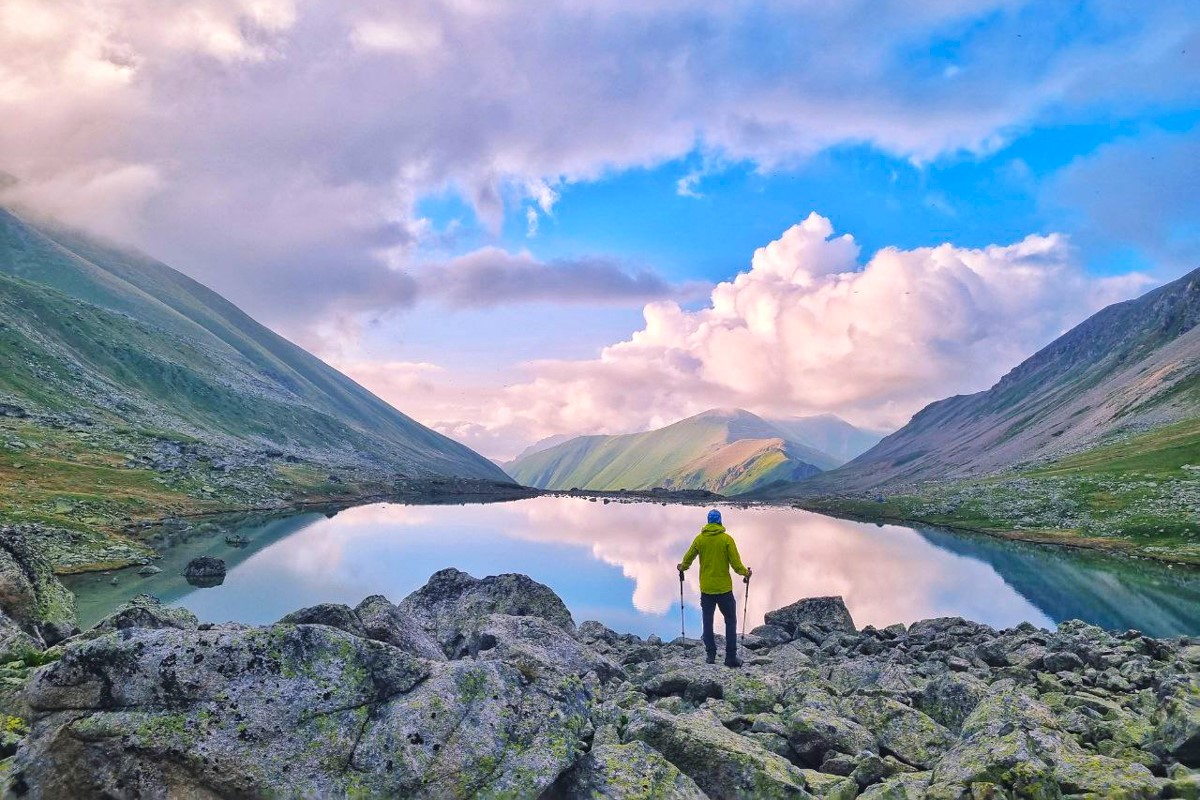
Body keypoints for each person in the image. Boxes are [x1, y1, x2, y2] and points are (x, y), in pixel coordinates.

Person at [677, 509, 751, 667]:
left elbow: (688, 558)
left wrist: (682, 567)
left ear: (708, 521)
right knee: (730, 621)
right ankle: (730, 657)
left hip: (706, 589)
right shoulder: (727, 539)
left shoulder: (700, 539)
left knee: (707, 621)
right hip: (724, 589)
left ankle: (711, 654)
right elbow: (736, 565)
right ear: (720, 521)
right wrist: (746, 573)